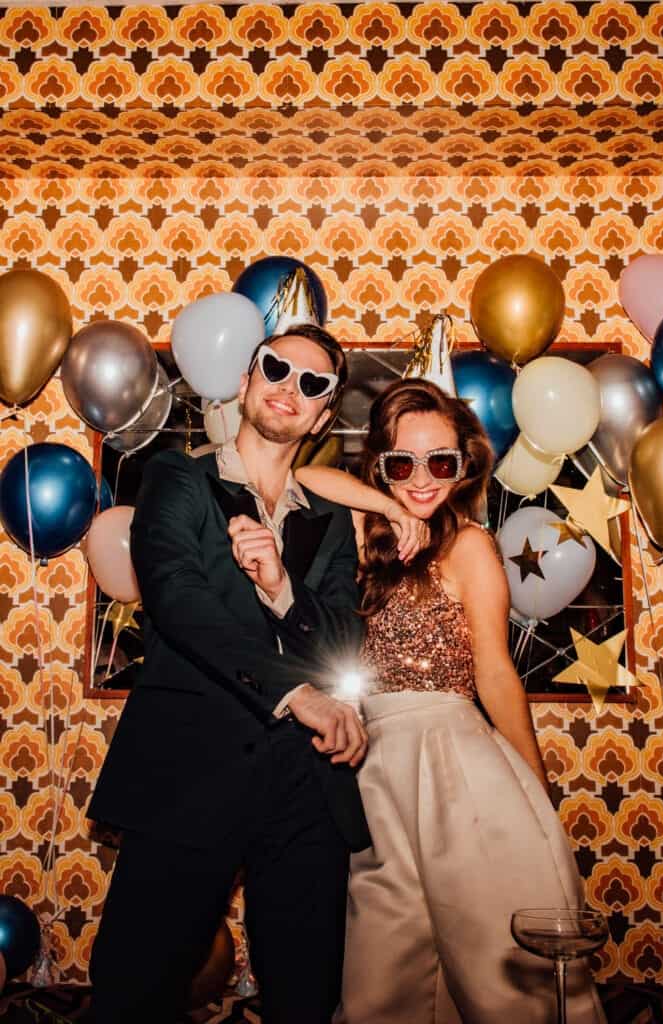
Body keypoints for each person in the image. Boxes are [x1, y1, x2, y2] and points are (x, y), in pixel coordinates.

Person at [88, 325, 408, 1024]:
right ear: (245, 381)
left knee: (305, 995)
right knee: (133, 990)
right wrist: (299, 695)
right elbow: (178, 600)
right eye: (276, 368)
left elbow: (339, 634)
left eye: (313, 383)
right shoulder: (178, 479)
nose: (290, 387)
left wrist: (280, 586)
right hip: (186, 771)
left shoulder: (327, 522)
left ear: (323, 417)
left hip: (303, 788)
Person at [296, 378, 606, 1024]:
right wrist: (386, 505)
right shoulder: (362, 534)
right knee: (387, 965)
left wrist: (535, 789)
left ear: (464, 465)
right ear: (378, 464)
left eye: (440, 461)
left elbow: (495, 672)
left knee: (491, 954)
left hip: (454, 766)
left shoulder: (469, 546)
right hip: (371, 768)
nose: (421, 479)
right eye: (400, 463)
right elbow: (301, 480)